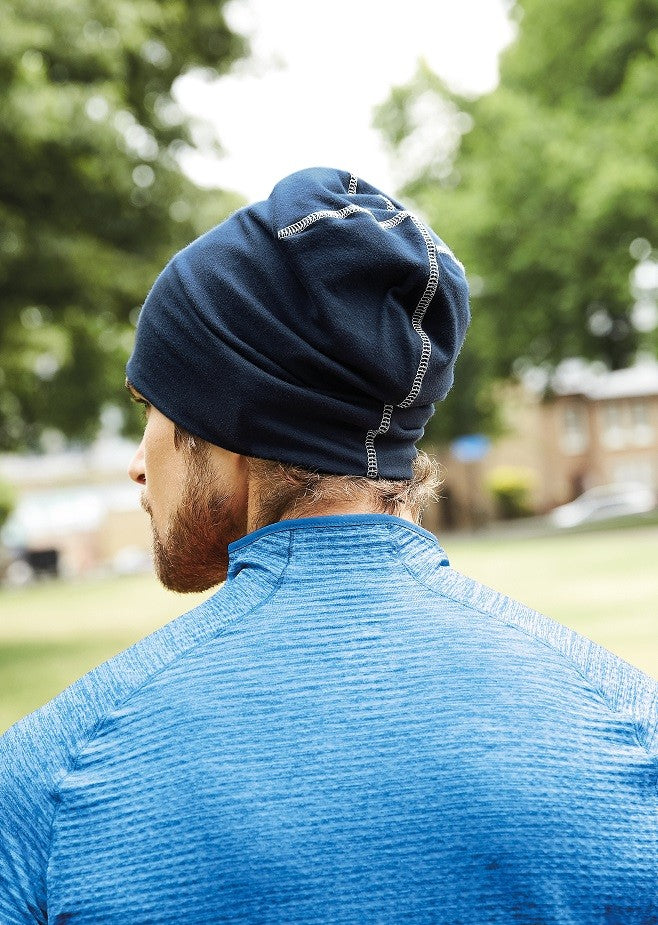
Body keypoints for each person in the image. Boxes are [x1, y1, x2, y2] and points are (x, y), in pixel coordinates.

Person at [0, 167, 656, 924]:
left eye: (150, 405)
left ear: (224, 419)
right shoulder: (633, 733)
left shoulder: (51, 787)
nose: (138, 463)